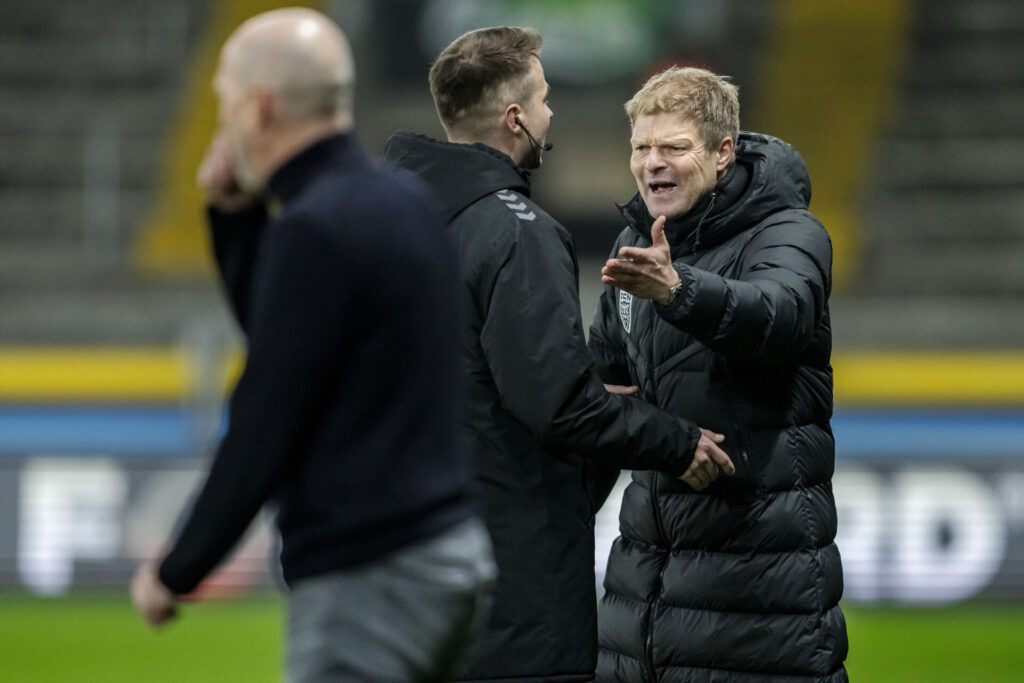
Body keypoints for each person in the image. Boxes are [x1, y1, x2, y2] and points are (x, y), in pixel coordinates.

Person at [129, 9, 495, 681]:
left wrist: (177, 568)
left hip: (372, 570)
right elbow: (295, 340)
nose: (221, 121)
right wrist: (232, 217)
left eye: (224, 103)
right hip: (449, 554)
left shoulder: (316, 229)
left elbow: (267, 416)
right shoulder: (401, 200)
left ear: (259, 108)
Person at [383, 28, 734, 683]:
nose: (551, 114)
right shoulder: (516, 231)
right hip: (507, 588)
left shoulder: (382, 224)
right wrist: (675, 441)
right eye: (543, 99)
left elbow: (474, 379)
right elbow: (557, 406)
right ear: (516, 118)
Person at [590, 65, 848, 681]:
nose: (652, 163)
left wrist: (677, 290)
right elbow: (604, 383)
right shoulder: (634, 246)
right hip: (643, 594)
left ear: (723, 151)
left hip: (762, 588)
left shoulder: (789, 232)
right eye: (641, 148)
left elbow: (778, 320)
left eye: (674, 147)